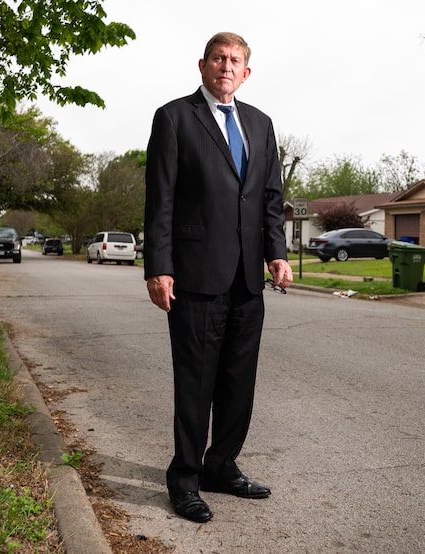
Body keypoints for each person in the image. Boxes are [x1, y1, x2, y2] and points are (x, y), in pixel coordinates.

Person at [143, 31, 293, 523]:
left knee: (237, 381)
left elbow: (270, 198)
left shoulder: (260, 123)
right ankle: (184, 478)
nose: (226, 66)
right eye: (218, 58)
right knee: (196, 382)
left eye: (235, 61)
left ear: (246, 73)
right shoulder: (174, 118)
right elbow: (160, 200)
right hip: (195, 275)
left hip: (248, 279)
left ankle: (221, 465)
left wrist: (278, 253)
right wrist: (159, 266)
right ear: (203, 65)